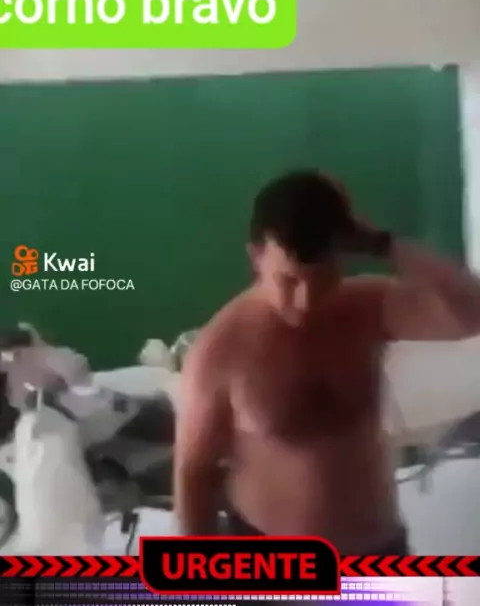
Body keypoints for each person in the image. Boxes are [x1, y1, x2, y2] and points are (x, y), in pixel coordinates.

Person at [174, 171, 480, 553]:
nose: (305, 301)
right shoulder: (221, 351)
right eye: (288, 280)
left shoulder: (366, 309)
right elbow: (195, 475)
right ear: (256, 255)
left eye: (322, 279)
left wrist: (384, 243)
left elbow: (472, 311)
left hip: (379, 553)